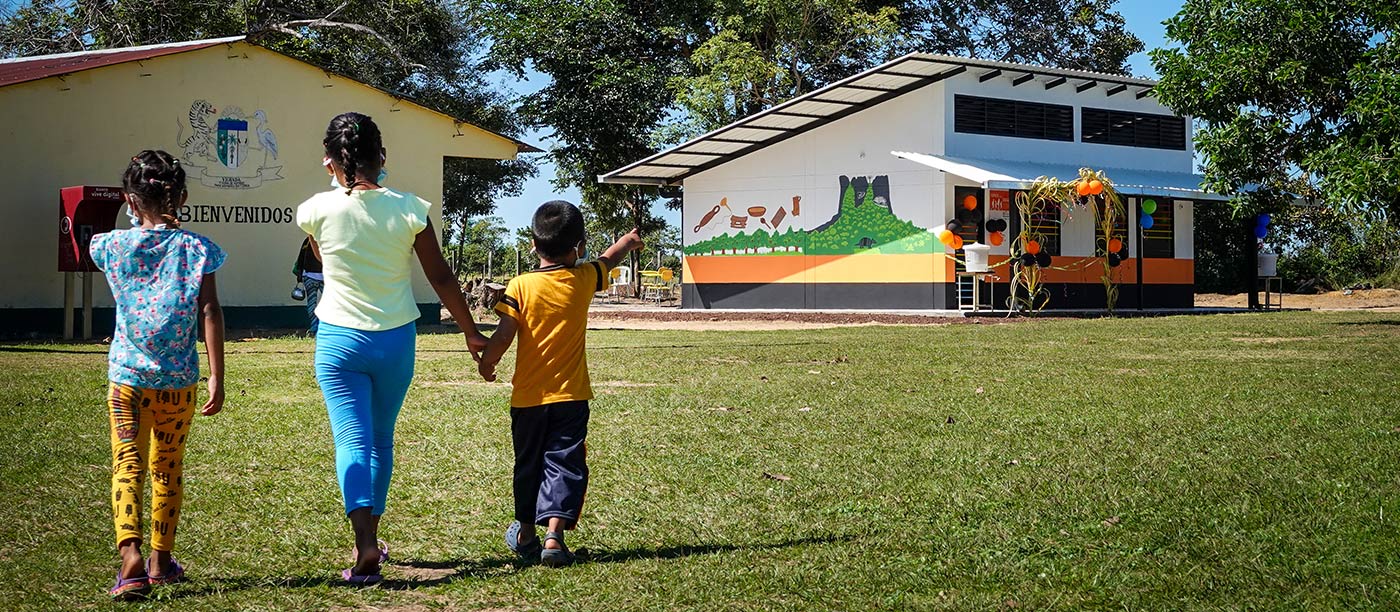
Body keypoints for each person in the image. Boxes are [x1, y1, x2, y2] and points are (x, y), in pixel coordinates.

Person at [297, 112, 488, 585]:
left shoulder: (314, 209)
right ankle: (373, 540)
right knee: (380, 439)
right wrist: (470, 331)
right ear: (381, 157)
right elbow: (440, 277)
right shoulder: (411, 209)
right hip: (396, 338)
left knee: (351, 440)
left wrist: (333, 183)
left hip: (338, 340)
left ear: (331, 162)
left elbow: (321, 253)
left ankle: (363, 545)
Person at [90, 150, 226, 600]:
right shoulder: (198, 249)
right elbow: (210, 311)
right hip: (178, 381)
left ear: (130, 199)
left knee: (127, 466)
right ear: (182, 196)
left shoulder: (110, 246)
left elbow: (94, 244)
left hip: (126, 379)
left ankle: (129, 559)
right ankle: (160, 560)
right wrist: (216, 376)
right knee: (167, 470)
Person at [478, 201, 643, 567]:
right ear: (579, 247)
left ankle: (525, 533)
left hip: (528, 399)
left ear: (533, 245)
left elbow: (504, 334)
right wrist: (628, 241)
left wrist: (488, 362)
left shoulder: (519, 286)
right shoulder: (583, 279)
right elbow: (608, 260)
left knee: (528, 463)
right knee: (565, 462)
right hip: (572, 396)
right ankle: (554, 534)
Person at [291, 236, 324, 335]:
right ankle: (323, 327)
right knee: (331, 303)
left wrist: (300, 277)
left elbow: (301, 258)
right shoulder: (327, 239)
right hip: (325, 277)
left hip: (309, 276)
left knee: (311, 303)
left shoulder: (308, 240)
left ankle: (314, 327)